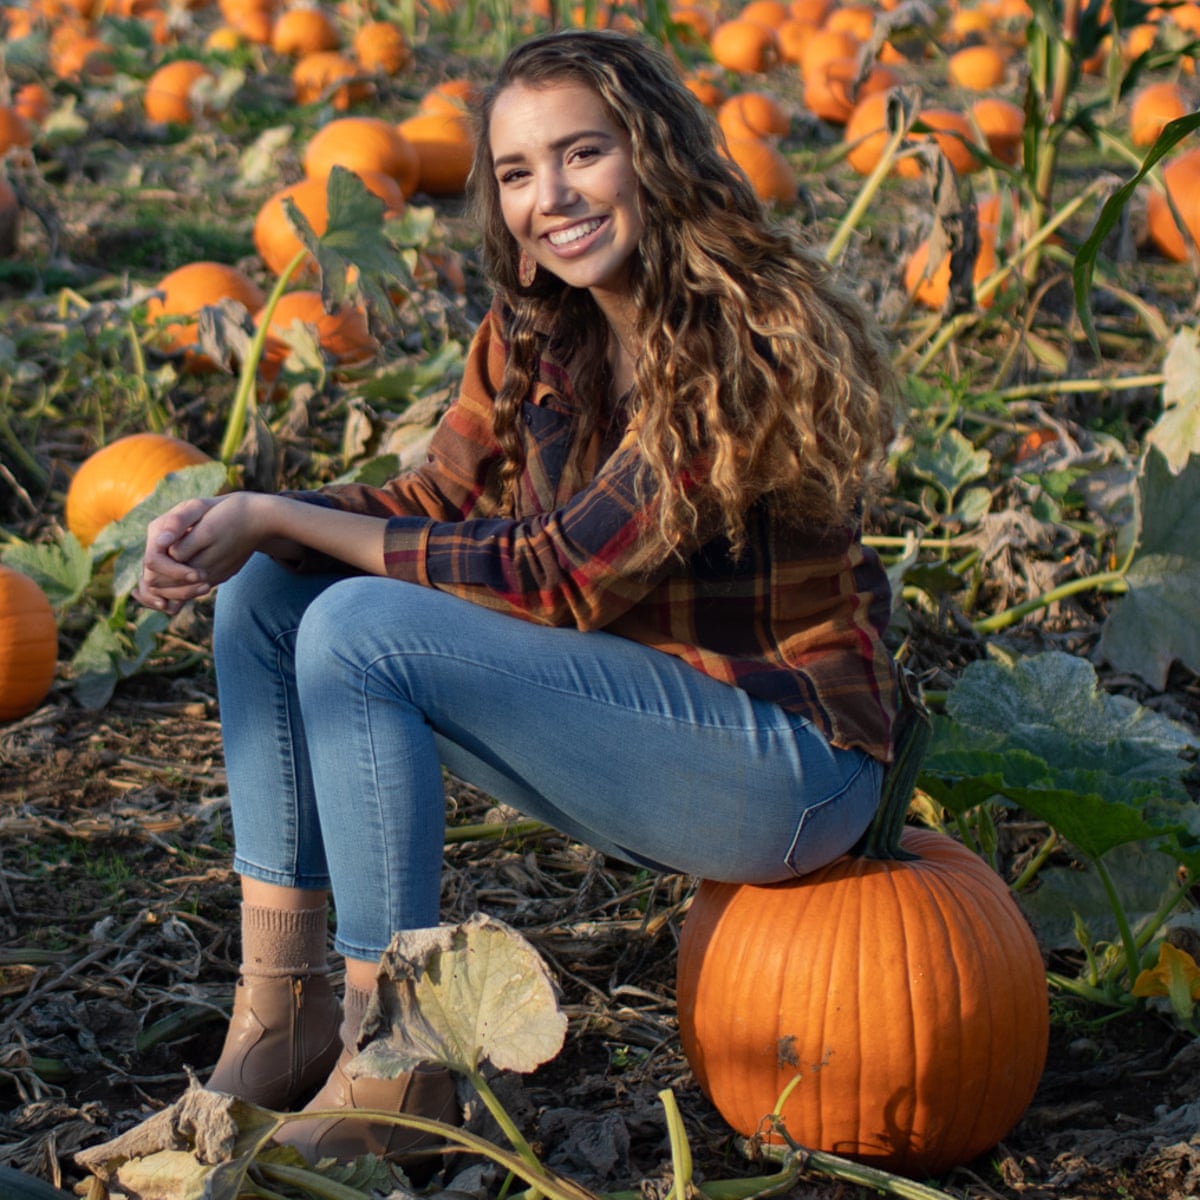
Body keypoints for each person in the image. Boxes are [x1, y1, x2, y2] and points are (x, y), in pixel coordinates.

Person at [133, 27, 900, 1166]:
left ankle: (400, 1065)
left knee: (353, 622)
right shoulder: (539, 330)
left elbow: (557, 576)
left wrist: (282, 514)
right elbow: (441, 497)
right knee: (270, 597)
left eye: (582, 154)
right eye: (516, 172)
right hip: (644, 716)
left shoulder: (740, 339)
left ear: (653, 155)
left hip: (784, 764)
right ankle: (281, 1012)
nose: (552, 197)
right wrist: (242, 524)